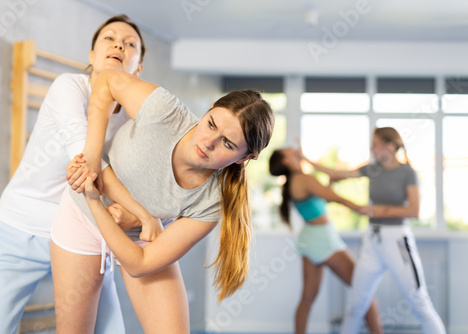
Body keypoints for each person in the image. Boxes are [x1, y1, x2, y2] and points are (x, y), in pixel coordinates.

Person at [49, 68, 275, 333]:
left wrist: (99, 201)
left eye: (227, 143)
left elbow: (140, 264)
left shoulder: (212, 201)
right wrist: (92, 155)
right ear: (209, 109)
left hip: (141, 237)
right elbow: (107, 80)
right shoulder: (165, 111)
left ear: (244, 158)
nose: (208, 142)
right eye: (211, 124)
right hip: (82, 219)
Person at [0, 15, 147, 334]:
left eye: (129, 43)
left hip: (81, 235)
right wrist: (139, 212)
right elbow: (83, 158)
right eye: (108, 38)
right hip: (17, 231)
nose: (118, 45)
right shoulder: (68, 86)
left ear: (138, 67)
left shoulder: (134, 121)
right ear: (92, 55)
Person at [304, 127, 446, 334]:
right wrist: (305, 159)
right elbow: (337, 174)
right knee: (355, 306)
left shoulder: (407, 172)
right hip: (372, 240)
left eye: (375, 144)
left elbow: (414, 211)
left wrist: (380, 210)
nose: (372, 148)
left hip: (397, 240)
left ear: (389, 146)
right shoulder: (372, 169)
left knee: (419, 303)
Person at [269, 147, 383, 334]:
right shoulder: (303, 179)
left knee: (308, 297)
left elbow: (323, 199)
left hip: (311, 238)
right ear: (286, 161)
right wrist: (359, 208)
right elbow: (334, 198)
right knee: (364, 290)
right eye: (288, 150)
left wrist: (330, 182)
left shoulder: (299, 180)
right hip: (322, 239)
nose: (293, 149)